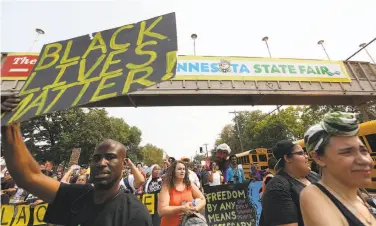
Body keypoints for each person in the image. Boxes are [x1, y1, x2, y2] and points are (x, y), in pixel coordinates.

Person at [1, 122, 152, 225]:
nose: (101, 163)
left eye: (110, 157)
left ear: (124, 164)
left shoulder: (135, 213)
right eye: (96, 158)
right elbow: (28, 177)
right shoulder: (75, 195)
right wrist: (10, 125)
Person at [300, 112, 376, 226]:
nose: (365, 161)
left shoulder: (357, 196)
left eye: (364, 151)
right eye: (347, 152)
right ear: (319, 158)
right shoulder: (313, 196)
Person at [260, 140, 320, 226]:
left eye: (305, 153)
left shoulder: (313, 176)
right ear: (287, 158)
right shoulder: (277, 188)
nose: (306, 156)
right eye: (301, 153)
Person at [158, 160, 206, 226]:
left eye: (184, 169)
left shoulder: (189, 184)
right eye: (179, 169)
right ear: (173, 171)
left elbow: (202, 199)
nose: (182, 171)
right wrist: (182, 208)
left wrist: (195, 208)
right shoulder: (167, 186)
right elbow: (161, 210)